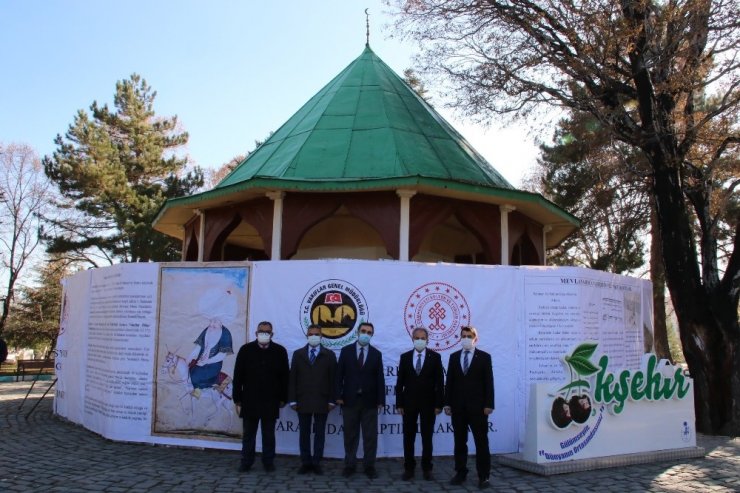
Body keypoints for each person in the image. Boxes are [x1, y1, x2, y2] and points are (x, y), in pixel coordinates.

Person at [233, 321, 289, 473]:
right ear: (256, 333)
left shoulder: (280, 351)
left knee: (268, 434)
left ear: (272, 334)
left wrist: (284, 397)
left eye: (267, 331)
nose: (264, 333)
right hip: (249, 399)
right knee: (249, 434)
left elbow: (285, 377)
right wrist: (237, 398)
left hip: (271, 400)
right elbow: (238, 375)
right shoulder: (246, 350)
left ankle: (268, 462)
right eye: (261, 331)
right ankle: (246, 461)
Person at [444, 326, 495, 489]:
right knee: (459, 441)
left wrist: (489, 404)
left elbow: (489, 382)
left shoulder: (484, 357)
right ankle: (460, 472)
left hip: (479, 408)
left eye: (469, 336)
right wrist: (447, 403)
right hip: (458, 407)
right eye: (463, 336)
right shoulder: (453, 357)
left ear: (475, 339)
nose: (466, 338)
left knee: (481, 442)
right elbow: (449, 382)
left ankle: (484, 476)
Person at [335, 322, 385, 479]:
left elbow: (379, 379)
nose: (366, 334)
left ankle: (369, 466)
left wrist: (380, 400)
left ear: (372, 335)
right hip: (349, 400)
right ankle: (350, 465)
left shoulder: (376, 354)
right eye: (363, 331)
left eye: (369, 332)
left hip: (369, 402)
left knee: (370, 436)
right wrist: (338, 395)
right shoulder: (346, 351)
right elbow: (339, 375)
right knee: (350, 435)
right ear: (357, 332)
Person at [395, 327, 444, 481]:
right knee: (408, 437)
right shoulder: (405, 357)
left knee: (427, 437)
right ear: (412, 339)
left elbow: (440, 383)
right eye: (417, 338)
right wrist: (399, 404)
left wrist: (439, 405)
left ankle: (427, 468)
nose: (420, 340)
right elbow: (399, 383)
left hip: (429, 404)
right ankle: (409, 468)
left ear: (427, 340)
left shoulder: (435, 357)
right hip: (409, 403)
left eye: (423, 338)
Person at [288, 324, 337, 475]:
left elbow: (334, 380)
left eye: (317, 334)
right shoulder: (298, 354)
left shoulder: (329, 355)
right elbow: (292, 378)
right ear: (307, 335)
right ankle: (305, 461)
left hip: (322, 401)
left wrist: (332, 400)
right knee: (304, 433)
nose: (314, 336)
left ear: (321, 336)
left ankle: (316, 462)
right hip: (302, 400)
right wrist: (292, 400)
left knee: (320, 433)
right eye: (311, 334)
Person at [188, 317, 233, 396]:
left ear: (221, 323)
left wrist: (206, 361)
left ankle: (199, 392)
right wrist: (189, 357)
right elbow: (198, 347)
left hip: (214, 364)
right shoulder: (207, 330)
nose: (211, 324)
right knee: (189, 370)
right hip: (200, 360)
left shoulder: (225, 334)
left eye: (215, 322)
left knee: (196, 374)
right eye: (211, 321)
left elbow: (221, 355)